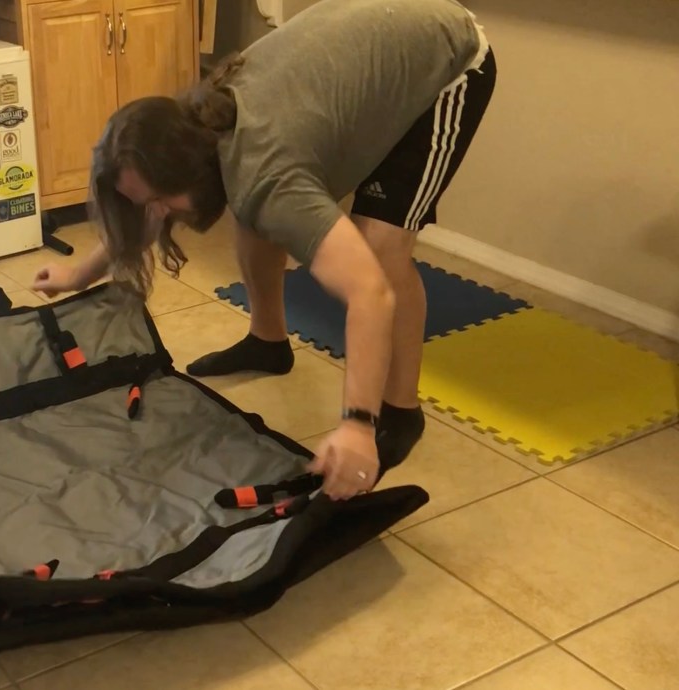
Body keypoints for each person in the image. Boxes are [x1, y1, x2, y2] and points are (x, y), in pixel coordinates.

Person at [33, 0, 496, 501]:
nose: (159, 215)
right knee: (253, 209)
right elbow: (151, 206)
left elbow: (370, 293)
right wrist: (80, 273)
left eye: (160, 201)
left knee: (380, 252)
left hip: (448, 62)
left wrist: (356, 425)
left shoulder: (268, 173)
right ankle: (268, 341)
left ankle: (401, 414)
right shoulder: (200, 125)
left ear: (184, 172)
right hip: (373, 52)